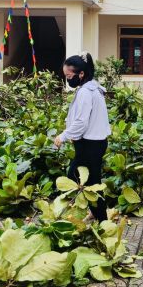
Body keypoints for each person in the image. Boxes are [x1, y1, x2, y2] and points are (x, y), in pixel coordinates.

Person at [54, 52, 111, 222]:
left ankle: (102, 220)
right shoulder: (92, 87)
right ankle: (97, 213)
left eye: (69, 76)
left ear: (81, 74)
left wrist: (63, 136)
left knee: (79, 179)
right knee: (90, 181)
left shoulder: (87, 92)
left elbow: (81, 121)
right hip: (94, 143)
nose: (67, 79)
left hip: (90, 145)